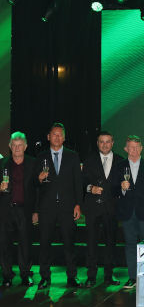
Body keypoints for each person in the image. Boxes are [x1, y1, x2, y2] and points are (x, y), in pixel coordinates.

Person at [35, 123, 83, 289]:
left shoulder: (73, 156)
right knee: (44, 244)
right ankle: (44, 277)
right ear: (48, 137)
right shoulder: (41, 156)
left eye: (60, 134)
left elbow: (78, 183)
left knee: (69, 243)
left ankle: (72, 276)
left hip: (67, 207)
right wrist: (39, 179)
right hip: (46, 208)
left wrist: (78, 204)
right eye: (54, 134)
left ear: (64, 138)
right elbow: (35, 185)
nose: (57, 137)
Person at [113, 135, 144, 289]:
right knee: (130, 245)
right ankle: (132, 277)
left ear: (141, 148)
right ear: (126, 149)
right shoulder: (119, 166)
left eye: (137, 147)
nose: (134, 150)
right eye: (131, 147)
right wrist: (121, 188)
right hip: (127, 213)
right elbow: (113, 189)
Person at [81, 130, 123, 287]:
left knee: (110, 243)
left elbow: (122, 185)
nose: (105, 145)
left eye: (108, 141)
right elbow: (81, 182)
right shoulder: (89, 160)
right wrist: (90, 188)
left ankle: (108, 276)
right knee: (91, 243)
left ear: (112, 143)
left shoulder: (120, 160)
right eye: (102, 142)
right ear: (97, 143)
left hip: (111, 209)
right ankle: (91, 276)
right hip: (93, 208)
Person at [0, 132, 37, 288]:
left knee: (25, 244)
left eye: (20, 145)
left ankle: (25, 275)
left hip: (25, 210)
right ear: (9, 146)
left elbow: (38, 189)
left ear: (25, 146)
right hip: (5, 211)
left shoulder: (33, 163)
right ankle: (7, 275)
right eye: (14, 145)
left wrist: (36, 211)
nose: (17, 148)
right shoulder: (2, 164)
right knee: (4, 244)